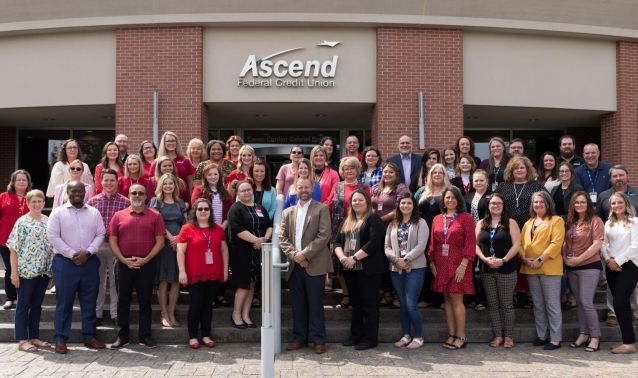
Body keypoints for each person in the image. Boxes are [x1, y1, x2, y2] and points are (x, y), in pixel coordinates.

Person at [47, 181, 106, 354]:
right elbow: (52, 236)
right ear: (68, 192)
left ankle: (89, 336)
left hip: (89, 262)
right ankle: (60, 339)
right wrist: (72, 253)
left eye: (80, 190)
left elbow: (100, 234)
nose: (77, 194)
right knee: (64, 302)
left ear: (85, 192)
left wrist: (87, 252)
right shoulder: (57, 212)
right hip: (65, 264)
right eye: (73, 191)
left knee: (89, 302)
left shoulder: (94, 212)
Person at [108, 183, 166, 349]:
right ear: (129, 195)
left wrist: (146, 259)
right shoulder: (119, 216)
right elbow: (112, 240)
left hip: (146, 264)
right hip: (123, 263)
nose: (137, 196)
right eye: (134, 193)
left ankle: (145, 336)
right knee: (122, 301)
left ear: (146, 196)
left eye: (141, 193)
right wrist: (122, 259)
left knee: (145, 301)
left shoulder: (155, 215)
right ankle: (122, 336)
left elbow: (160, 242)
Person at [279, 178, 332, 354]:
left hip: (314, 264)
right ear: (295, 189)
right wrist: (295, 255)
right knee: (298, 304)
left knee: (315, 305)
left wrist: (304, 254)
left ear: (312, 189)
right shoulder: (287, 212)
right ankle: (299, 338)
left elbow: (324, 235)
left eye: (306, 187)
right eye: (300, 187)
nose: (303, 189)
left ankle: (318, 340)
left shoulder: (322, 208)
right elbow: (282, 238)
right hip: (295, 266)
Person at [334, 190, 385, 350]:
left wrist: (354, 258)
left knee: (369, 305)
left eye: (360, 200)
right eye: (354, 200)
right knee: (356, 304)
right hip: (350, 269)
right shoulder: (346, 221)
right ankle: (355, 336)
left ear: (367, 202)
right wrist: (342, 258)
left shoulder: (373, 218)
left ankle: (370, 339)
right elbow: (336, 242)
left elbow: (374, 243)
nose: (357, 203)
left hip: (368, 269)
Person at [177, 198, 229, 349]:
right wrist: (182, 271)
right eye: (200, 209)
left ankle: (206, 335)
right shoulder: (187, 228)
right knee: (195, 305)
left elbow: (224, 250)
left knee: (208, 305)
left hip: (213, 272)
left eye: (206, 209)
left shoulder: (218, 229)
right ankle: (193, 336)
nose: (203, 211)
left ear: (210, 212)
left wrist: (225, 270)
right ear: (195, 211)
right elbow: (180, 251)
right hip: (195, 273)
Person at [429, 186, 475, 350]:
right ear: (443, 200)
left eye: (453, 197)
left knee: (456, 299)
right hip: (440, 263)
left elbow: (470, 244)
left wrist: (464, 264)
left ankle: (461, 336)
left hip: (459, 264)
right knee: (447, 300)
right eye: (447, 198)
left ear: (459, 200)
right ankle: (451, 334)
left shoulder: (466, 218)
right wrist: (432, 262)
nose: (450, 200)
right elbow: (433, 243)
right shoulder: (437, 218)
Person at [7, 190, 52, 353]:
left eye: (40, 201)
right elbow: (13, 249)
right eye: (33, 201)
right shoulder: (22, 222)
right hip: (26, 272)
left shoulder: (48, 221)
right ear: (27, 203)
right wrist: (14, 273)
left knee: (37, 306)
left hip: (43, 272)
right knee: (23, 306)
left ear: (43, 203)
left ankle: (33, 336)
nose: (37, 204)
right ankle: (22, 340)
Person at [520, 191, 565, 350]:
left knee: (552, 305)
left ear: (548, 203)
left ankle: (555, 338)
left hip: (549, 268)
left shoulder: (556, 220)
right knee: (538, 304)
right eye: (535, 202)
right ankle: (542, 335)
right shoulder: (528, 223)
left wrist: (540, 260)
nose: (538, 205)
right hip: (531, 268)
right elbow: (521, 244)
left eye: (541, 202)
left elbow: (556, 243)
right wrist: (525, 259)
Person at [475, 193, 521, 348]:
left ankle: (509, 336)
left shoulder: (510, 222)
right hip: (487, 268)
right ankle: (498, 336)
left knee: (506, 304)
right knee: (493, 305)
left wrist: (503, 260)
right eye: (493, 203)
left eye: (499, 203)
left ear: (503, 205)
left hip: (506, 269)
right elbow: (475, 245)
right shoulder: (481, 223)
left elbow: (517, 245)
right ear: (488, 206)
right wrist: (484, 258)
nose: (495, 206)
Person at [595, 165, 638, 326]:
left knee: (633, 289)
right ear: (611, 178)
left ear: (627, 176)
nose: (618, 178)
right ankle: (613, 314)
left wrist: (620, 260)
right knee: (616, 295)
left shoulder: (637, 195)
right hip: (612, 257)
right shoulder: (604, 196)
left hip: (632, 256)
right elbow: (601, 230)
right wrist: (609, 260)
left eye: (621, 175)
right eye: (615, 176)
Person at [384, 193, 428, 350]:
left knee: (411, 304)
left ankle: (418, 336)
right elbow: (387, 246)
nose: (405, 206)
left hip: (414, 268)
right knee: (403, 303)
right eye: (403, 203)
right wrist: (395, 260)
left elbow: (421, 245)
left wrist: (406, 259)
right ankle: (405, 335)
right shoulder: (393, 224)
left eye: (409, 203)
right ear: (398, 205)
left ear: (413, 205)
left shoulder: (421, 222)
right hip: (396, 268)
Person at [87, 169, 130, 326]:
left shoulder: (125, 202)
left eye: (112, 180)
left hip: (116, 247)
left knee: (115, 281)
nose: (109, 183)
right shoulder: (92, 202)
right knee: (97, 281)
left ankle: (115, 313)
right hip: (97, 247)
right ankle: (97, 313)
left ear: (117, 181)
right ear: (101, 181)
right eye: (106, 180)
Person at [227, 180, 273, 329]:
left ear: (252, 191)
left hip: (257, 252)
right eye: (242, 191)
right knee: (243, 284)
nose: (246, 192)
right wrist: (256, 240)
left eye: (248, 190)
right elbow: (237, 229)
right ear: (238, 193)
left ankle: (246, 315)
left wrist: (264, 239)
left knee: (252, 284)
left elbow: (269, 226)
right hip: (241, 252)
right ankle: (236, 314)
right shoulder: (235, 208)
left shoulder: (260, 208)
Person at [563, 191, 604, 352]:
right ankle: (583, 333)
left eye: (582, 202)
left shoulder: (595, 220)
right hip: (572, 267)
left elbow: (597, 244)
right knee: (579, 302)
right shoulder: (571, 222)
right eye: (576, 202)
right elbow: (565, 243)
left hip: (589, 266)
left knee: (586, 302)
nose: (579, 205)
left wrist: (579, 259)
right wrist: (566, 258)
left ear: (588, 204)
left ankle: (595, 337)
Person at [326, 157, 369, 309]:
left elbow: (369, 208)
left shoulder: (363, 187)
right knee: (342, 263)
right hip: (339, 230)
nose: (348, 171)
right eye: (346, 168)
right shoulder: (337, 186)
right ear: (342, 171)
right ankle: (346, 295)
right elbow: (329, 205)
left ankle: (357, 295)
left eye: (351, 168)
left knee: (357, 262)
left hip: (358, 229)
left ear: (357, 170)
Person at [601, 192, 638, 354]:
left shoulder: (635, 222)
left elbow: (635, 246)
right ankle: (627, 340)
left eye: (619, 202)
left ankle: (629, 344)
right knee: (622, 305)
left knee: (619, 302)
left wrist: (619, 261)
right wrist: (609, 260)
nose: (616, 205)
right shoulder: (608, 223)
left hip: (629, 266)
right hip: (611, 266)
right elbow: (603, 244)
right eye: (613, 203)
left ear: (626, 203)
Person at [149, 173, 186, 328]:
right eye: (165, 184)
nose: (168, 186)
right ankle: (163, 314)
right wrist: (170, 237)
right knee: (163, 279)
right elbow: (155, 222)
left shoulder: (180, 202)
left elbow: (185, 222)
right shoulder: (156, 201)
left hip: (179, 245)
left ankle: (171, 312)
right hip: (163, 244)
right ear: (161, 186)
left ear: (174, 186)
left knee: (176, 280)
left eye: (171, 184)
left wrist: (179, 237)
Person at [371, 162, 409, 307]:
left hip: (394, 230)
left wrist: (380, 219)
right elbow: (370, 206)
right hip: (376, 231)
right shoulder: (375, 188)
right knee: (380, 261)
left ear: (396, 175)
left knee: (392, 261)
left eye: (390, 172)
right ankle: (385, 292)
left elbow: (401, 209)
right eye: (385, 172)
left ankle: (396, 294)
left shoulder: (401, 188)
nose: (387, 174)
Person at [415, 163, 450, 309]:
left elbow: (460, 211)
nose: (437, 175)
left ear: (444, 175)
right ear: (429, 175)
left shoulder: (449, 191)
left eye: (440, 173)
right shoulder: (421, 191)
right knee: (427, 265)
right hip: (423, 234)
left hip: (444, 235)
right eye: (434, 172)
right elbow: (413, 210)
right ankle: (427, 297)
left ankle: (442, 298)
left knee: (442, 265)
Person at [0, 170, 32, 310]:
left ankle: (23, 297)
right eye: (18, 180)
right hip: (6, 240)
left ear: (28, 183)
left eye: (24, 180)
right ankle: (10, 298)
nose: (21, 182)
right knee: (10, 269)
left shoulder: (32, 197)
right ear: (13, 182)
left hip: (27, 241)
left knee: (25, 269)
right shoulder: (3, 197)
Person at [495, 156, 545, 230]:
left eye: (522, 168)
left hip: (531, 226)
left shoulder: (536, 186)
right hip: (506, 226)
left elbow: (547, 203)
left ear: (527, 169)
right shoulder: (502, 186)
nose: (519, 170)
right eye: (516, 168)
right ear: (511, 171)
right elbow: (493, 203)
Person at [191, 163, 234, 229]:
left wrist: (225, 224)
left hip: (222, 228)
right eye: (209, 175)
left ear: (219, 176)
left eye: (215, 174)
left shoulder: (225, 192)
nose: (213, 177)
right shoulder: (199, 190)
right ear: (205, 176)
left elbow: (231, 211)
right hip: (204, 228)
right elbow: (195, 208)